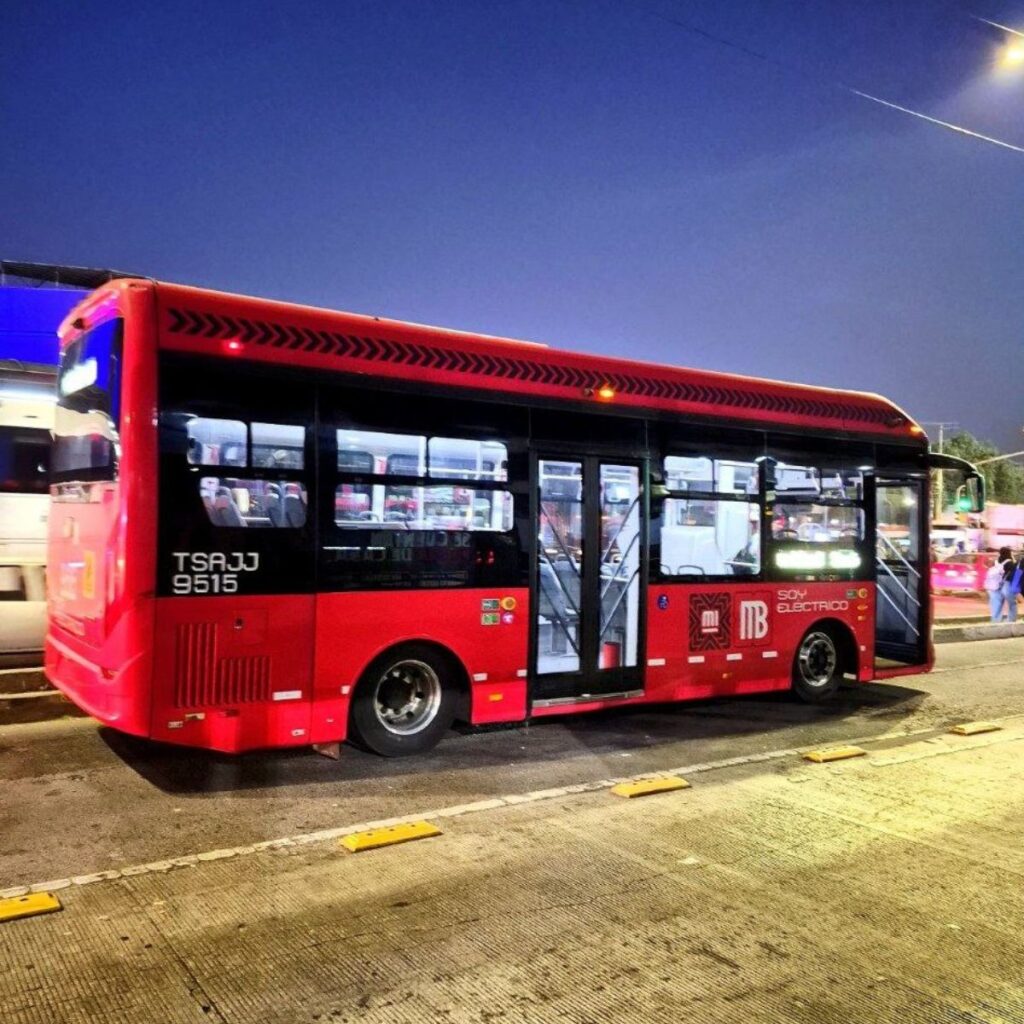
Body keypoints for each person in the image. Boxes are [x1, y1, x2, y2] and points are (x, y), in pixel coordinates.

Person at [985, 548, 1013, 622]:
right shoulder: (1009, 562)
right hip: (1001, 585)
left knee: (995, 605)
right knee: (1002, 604)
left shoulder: (997, 561)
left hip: (992, 586)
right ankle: (998, 621)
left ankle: (995, 620)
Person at [1003, 548, 1024, 624]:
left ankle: (1011, 620)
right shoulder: (1021, 562)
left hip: (1016, 586)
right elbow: (1017, 575)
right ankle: (1011, 620)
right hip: (1017, 586)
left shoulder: (1019, 562)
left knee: (1012, 604)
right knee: (1012, 604)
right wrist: (1015, 588)